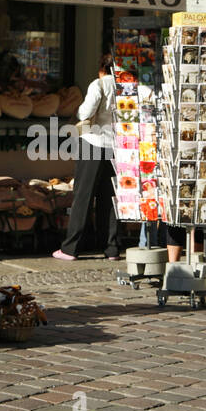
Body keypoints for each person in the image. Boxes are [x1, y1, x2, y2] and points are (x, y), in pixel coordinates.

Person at [54, 54, 120, 261]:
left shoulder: (98, 85)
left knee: (83, 196)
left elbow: (85, 113)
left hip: (93, 142)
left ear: (102, 68)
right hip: (116, 146)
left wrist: (80, 109)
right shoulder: (126, 86)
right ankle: (111, 249)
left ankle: (70, 248)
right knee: (109, 198)